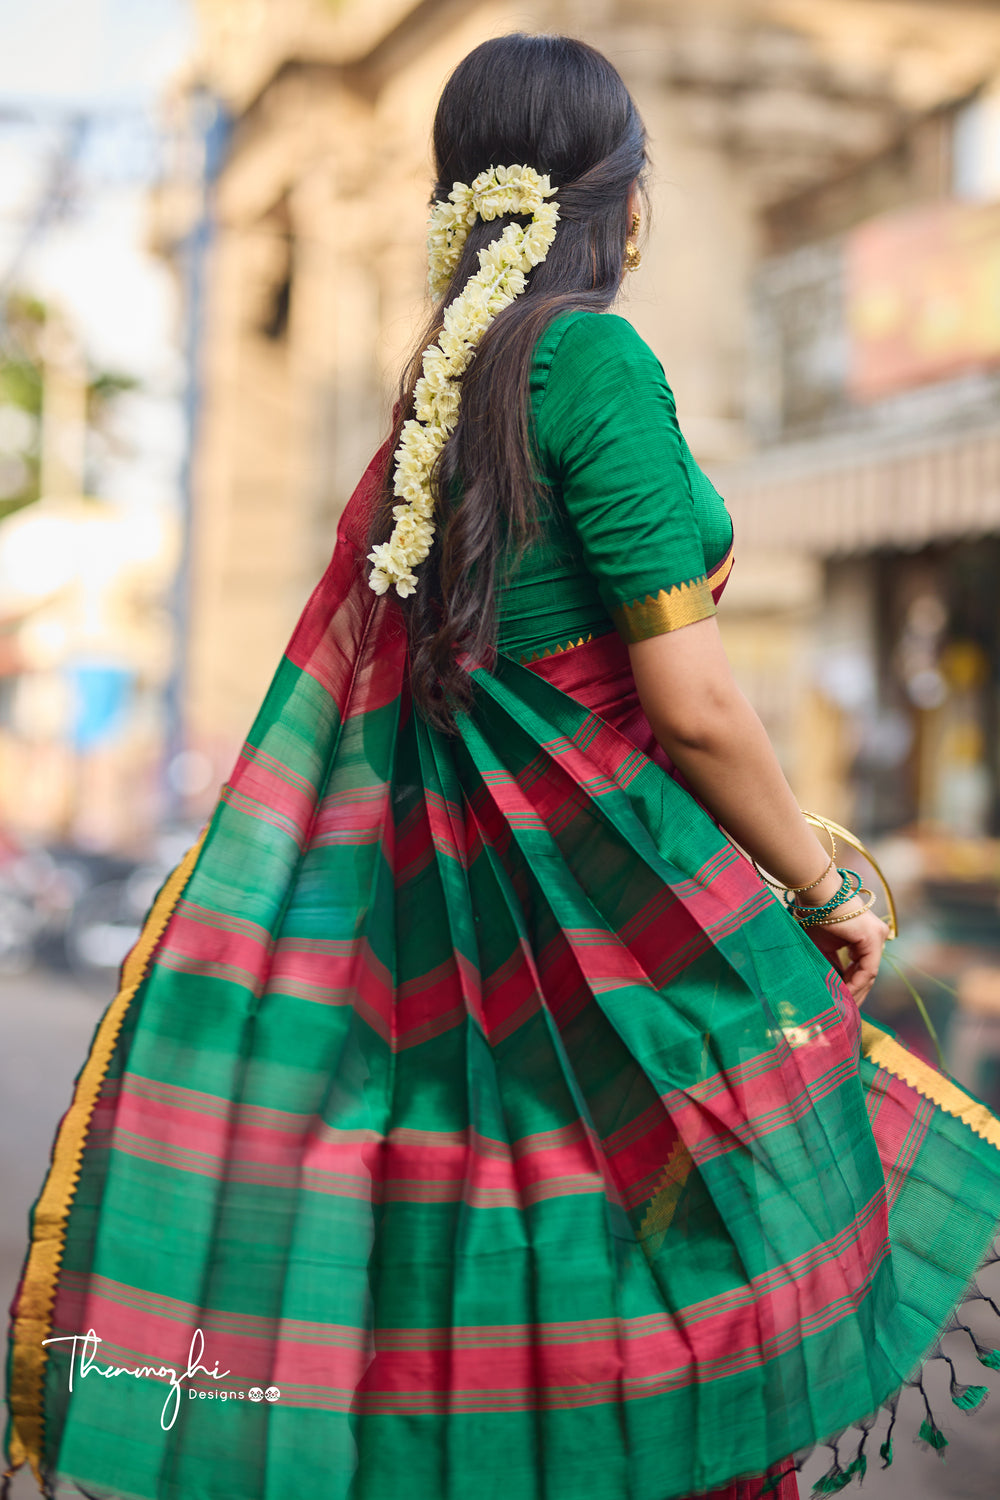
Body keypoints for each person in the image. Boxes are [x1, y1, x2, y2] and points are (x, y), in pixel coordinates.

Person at [6, 32, 1000, 1500]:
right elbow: (700, 705)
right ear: (623, 201)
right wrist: (826, 877)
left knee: (491, 1313)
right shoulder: (592, 359)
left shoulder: (438, 390)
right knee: (670, 1305)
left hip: (468, 944)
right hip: (616, 943)